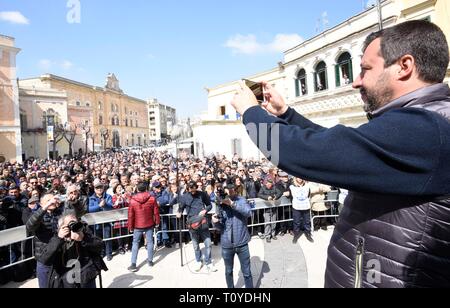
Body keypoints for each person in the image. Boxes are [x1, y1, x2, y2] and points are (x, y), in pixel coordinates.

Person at [231, 20, 450, 288]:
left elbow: (307, 153)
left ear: (404, 66)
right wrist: (286, 114)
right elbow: (339, 148)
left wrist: (251, 113)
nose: (356, 82)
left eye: (366, 70)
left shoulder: (427, 128)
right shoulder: (423, 123)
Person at [39, 211, 107, 288]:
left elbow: (99, 245)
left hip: (86, 276)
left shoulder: (83, 231)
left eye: (75, 223)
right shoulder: (55, 237)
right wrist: (59, 238)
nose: (73, 226)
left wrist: (83, 239)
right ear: (61, 227)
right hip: (66, 278)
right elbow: (45, 259)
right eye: (70, 224)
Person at [212, 183, 253, 288]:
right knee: (228, 271)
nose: (229, 193)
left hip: (242, 243)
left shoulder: (241, 200)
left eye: (231, 190)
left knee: (247, 272)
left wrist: (232, 204)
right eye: (226, 191)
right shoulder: (220, 204)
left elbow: (249, 213)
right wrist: (215, 222)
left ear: (235, 190)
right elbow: (220, 227)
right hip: (227, 244)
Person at [177, 181, 216, 272]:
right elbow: (181, 208)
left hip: (202, 221)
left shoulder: (202, 194)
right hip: (192, 222)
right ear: (188, 188)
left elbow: (209, 205)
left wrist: (205, 210)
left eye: (194, 188)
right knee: (195, 245)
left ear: (196, 187)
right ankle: (198, 261)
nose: (193, 191)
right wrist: (179, 212)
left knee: (208, 243)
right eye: (191, 189)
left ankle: (208, 262)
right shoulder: (184, 197)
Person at [25, 194, 63, 288]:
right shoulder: (37, 214)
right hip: (45, 258)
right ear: (41, 204)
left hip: (60, 256)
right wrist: (45, 207)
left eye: (53, 199)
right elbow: (30, 225)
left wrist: (70, 202)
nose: (52, 201)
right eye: (48, 200)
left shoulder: (60, 213)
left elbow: (77, 213)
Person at [128, 182, 160, 272]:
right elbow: (156, 212)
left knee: (135, 243)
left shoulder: (132, 200)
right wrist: (157, 222)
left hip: (137, 225)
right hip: (149, 223)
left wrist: (130, 226)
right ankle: (150, 261)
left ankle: (133, 264)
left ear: (137, 189)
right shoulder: (152, 198)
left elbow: (130, 215)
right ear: (146, 189)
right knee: (150, 242)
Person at [88, 180, 113, 261]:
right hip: (95, 222)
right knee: (98, 239)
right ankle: (101, 252)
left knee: (107, 237)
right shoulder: (91, 198)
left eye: (100, 187)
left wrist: (105, 204)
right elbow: (89, 209)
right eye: (97, 188)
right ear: (94, 189)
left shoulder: (108, 196)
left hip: (106, 221)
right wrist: (99, 206)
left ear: (103, 188)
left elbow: (111, 207)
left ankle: (109, 253)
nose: (99, 189)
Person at [257, 178, 283, 243]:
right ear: (266, 183)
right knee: (267, 222)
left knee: (274, 222)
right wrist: (267, 197)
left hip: (273, 207)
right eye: (268, 183)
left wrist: (275, 197)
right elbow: (259, 194)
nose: (269, 185)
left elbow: (280, 192)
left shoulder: (274, 187)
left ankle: (273, 234)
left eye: (270, 183)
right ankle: (267, 236)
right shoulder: (263, 188)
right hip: (266, 208)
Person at [289, 178, 313, 244]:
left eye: (301, 177)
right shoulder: (292, 186)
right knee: (296, 222)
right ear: (295, 178)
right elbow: (291, 197)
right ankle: (296, 235)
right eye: (298, 177)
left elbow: (308, 194)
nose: (299, 179)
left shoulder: (307, 186)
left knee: (307, 222)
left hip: (306, 206)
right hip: (296, 207)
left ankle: (308, 234)